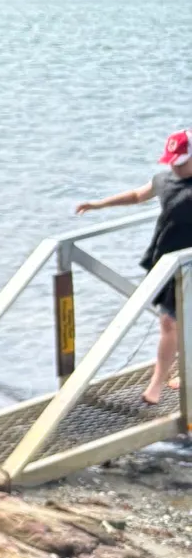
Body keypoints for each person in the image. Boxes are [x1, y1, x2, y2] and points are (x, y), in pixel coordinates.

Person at [76, 130, 192, 405]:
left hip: (190, 263)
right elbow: (137, 195)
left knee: (175, 322)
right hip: (168, 264)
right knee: (170, 323)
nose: (175, 166)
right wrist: (98, 204)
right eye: (173, 160)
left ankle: (164, 379)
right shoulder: (163, 180)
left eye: (182, 161)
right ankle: (168, 377)